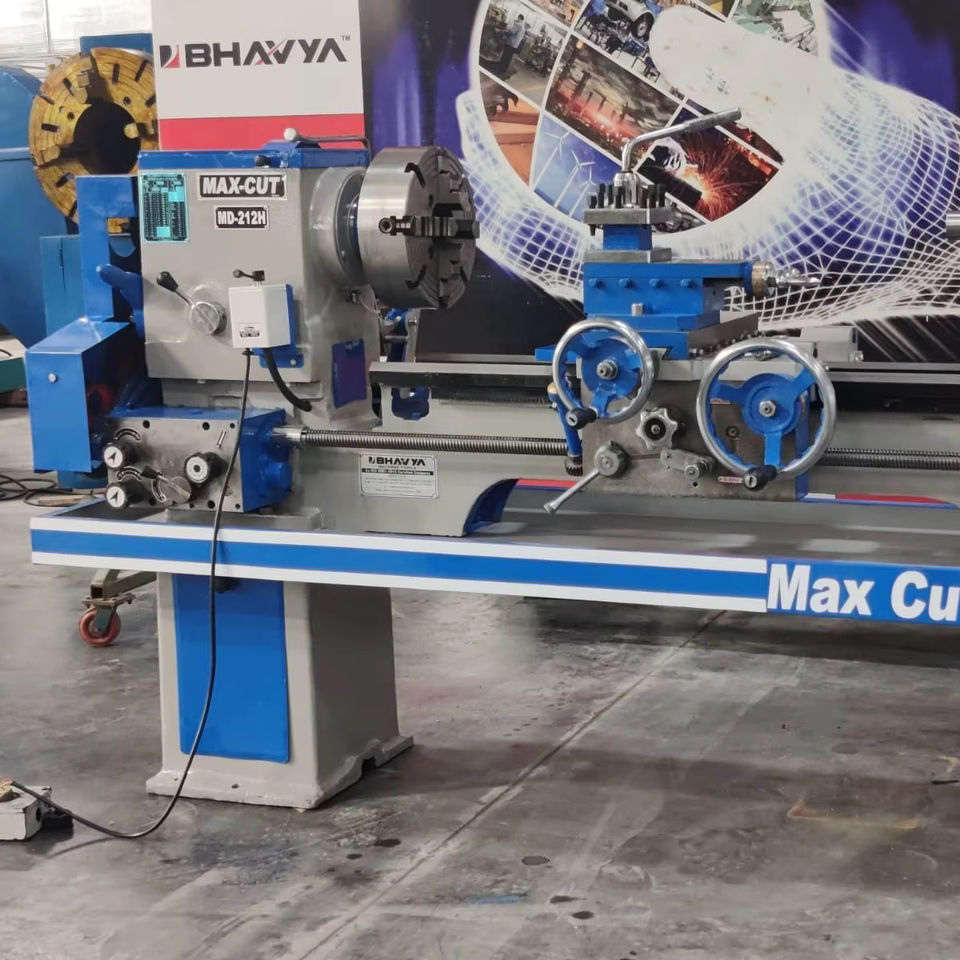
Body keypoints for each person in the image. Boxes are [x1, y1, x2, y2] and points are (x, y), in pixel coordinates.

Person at [495, 13, 527, 78]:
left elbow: (511, 32)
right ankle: (503, 70)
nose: (517, 19)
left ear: (519, 18)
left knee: (505, 57)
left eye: (518, 18)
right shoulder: (523, 28)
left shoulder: (518, 25)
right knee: (508, 58)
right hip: (515, 45)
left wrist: (501, 31)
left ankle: (499, 70)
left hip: (510, 43)